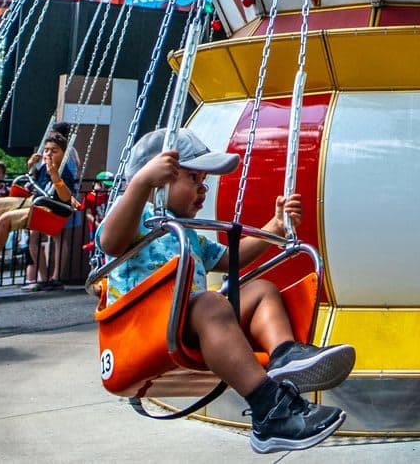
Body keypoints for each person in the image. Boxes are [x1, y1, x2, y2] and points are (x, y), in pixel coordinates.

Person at [96, 128, 354, 453]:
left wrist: (274, 227)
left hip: (187, 324)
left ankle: (285, 355)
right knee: (210, 304)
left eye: (205, 182)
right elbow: (111, 242)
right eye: (193, 179)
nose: (202, 189)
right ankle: (269, 410)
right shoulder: (139, 216)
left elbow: (230, 258)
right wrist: (140, 185)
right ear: (158, 177)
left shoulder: (188, 233)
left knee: (260, 290)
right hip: (140, 331)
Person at [0, 134, 79, 283]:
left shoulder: (64, 172)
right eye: (46, 150)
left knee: (5, 219)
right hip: (36, 201)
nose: (49, 154)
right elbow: (35, 180)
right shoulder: (45, 167)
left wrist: (55, 177)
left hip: (50, 209)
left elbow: (65, 198)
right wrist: (31, 165)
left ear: (64, 154)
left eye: (54, 151)